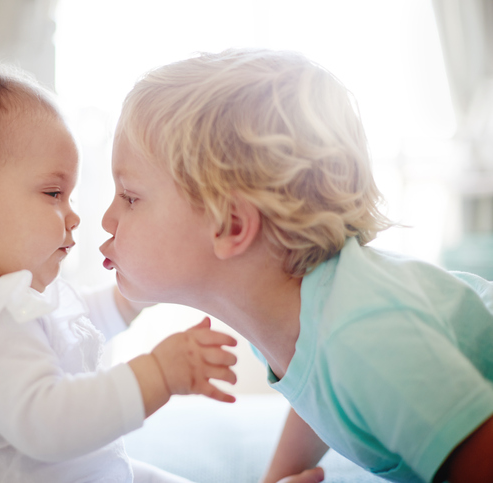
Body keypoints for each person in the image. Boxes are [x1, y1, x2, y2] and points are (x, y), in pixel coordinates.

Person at [100, 48, 493, 483]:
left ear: (232, 225)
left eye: (130, 197)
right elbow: (318, 394)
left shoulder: (364, 333)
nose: (106, 220)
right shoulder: (287, 314)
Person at [0, 58, 241, 483]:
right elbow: (46, 422)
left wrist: (131, 298)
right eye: (53, 192)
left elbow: (71, 326)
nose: (74, 216)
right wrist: (158, 374)